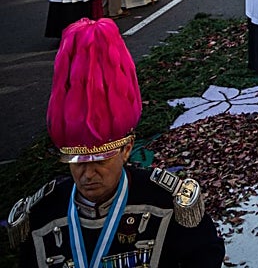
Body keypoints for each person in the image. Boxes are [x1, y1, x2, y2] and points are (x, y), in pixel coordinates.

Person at [15, 18, 225, 268]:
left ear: (126, 150)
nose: (87, 174)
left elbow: (205, 259)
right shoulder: (42, 211)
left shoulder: (165, 201)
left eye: (101, 160)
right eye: (77, 162)